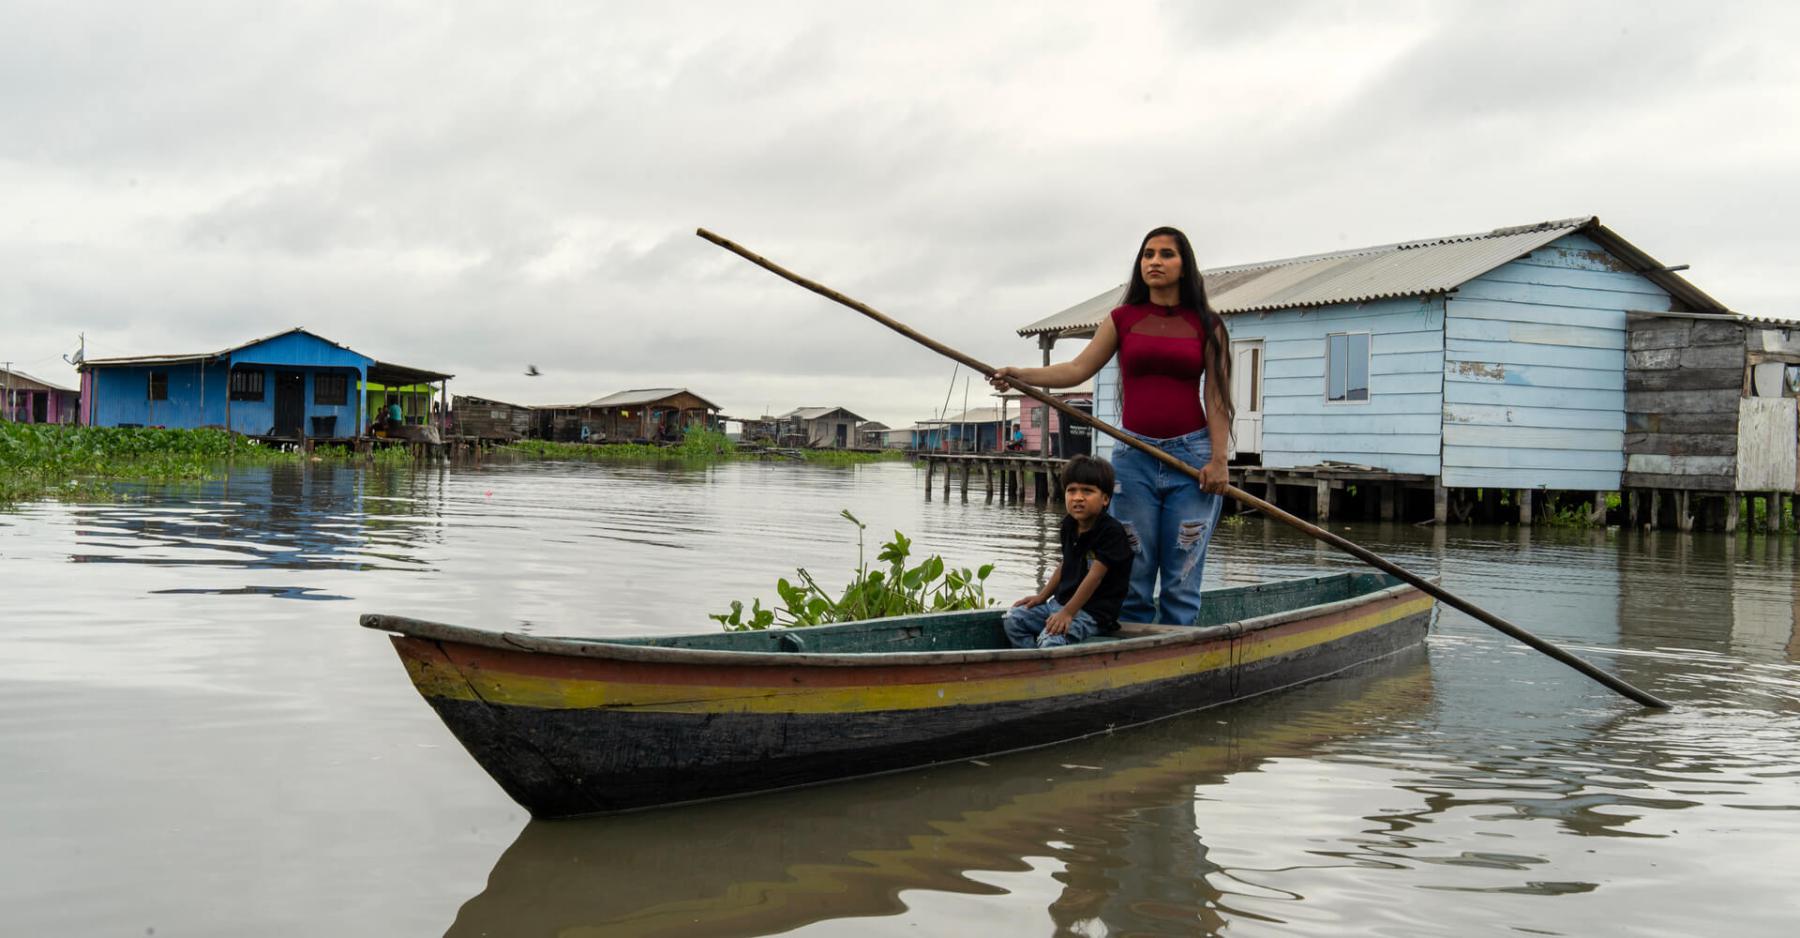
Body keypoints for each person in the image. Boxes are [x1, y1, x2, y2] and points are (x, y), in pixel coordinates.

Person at [990, 226, 1234, 626]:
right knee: (1133, 564)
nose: (1155, 261)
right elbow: (1076, 369)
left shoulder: (1207, 325)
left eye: (1166, 254)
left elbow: (1218, 398)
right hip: (1133, 454)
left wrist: (1220, 460)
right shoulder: (1123, 319)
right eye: (1148, 254)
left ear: (1184, 265)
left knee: (1182, 567)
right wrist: (1020, 375)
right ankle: (1130, 651)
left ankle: (1175, 651)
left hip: (1192, 458)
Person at [1005, 455, 1134, 648]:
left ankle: (1042, 671)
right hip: (1061, 604)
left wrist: (1067, 613)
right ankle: (1033, 664)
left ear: (1105, 499)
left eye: (1088, 491)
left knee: (1050, 640)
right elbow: (1065, 564)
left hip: (1093, 613)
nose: (1078, 497)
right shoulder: (1069, 525)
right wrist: (1042, 596)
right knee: (1013, 619)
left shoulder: (1111, 532)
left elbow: (1095, 577)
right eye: (1071, 490)